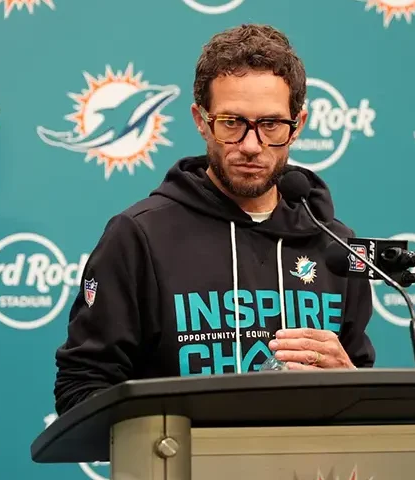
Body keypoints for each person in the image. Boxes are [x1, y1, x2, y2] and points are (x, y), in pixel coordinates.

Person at [53, 23, 376, 416]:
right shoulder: (139, 237)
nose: (251, 146)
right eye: (232, 123)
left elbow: (363, 398)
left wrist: (351, 382)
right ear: (201, 120)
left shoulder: (336, 246)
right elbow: (81, 387)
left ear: (298, 125)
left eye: (271, 124)